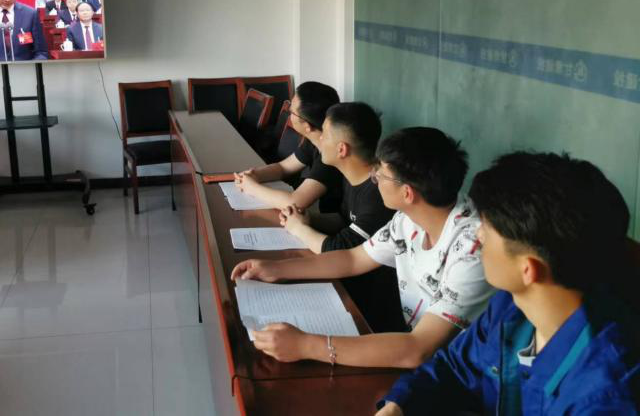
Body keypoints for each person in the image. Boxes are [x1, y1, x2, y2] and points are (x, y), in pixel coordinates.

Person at [376, 152, 640, 416]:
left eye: (487, 230)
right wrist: (398, 406)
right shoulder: (510, 307)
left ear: (528, 270)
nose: (478, 235)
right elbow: (454, 368)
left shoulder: (606, 395)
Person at [231, 127, 494, 369]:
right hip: (415, 348)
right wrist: (276, 269)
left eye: (381, 174)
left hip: (458, 371)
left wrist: (305, 346)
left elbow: (418, 349)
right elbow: (352, 259)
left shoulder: (472, 251)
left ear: (407, 193)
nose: (373, 177)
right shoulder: (409, 217)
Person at [280, 102, 402, 332]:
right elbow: (346, 221)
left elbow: (339, 250)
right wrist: (308, 219)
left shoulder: (378, 193)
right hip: (353, 280)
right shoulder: (352, 176)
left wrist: (299, 229)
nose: (319, 138)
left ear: (342, 150)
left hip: (372, 305)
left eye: (325, 135)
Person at [234, 81, 343, 214]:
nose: (289, 115)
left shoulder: (331, 155)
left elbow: (295, 202)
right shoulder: (314, 139)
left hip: (333, 222)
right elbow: (283, 168)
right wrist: (254, 175)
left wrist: (251, 187)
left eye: (292, 112)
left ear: (307, 126)